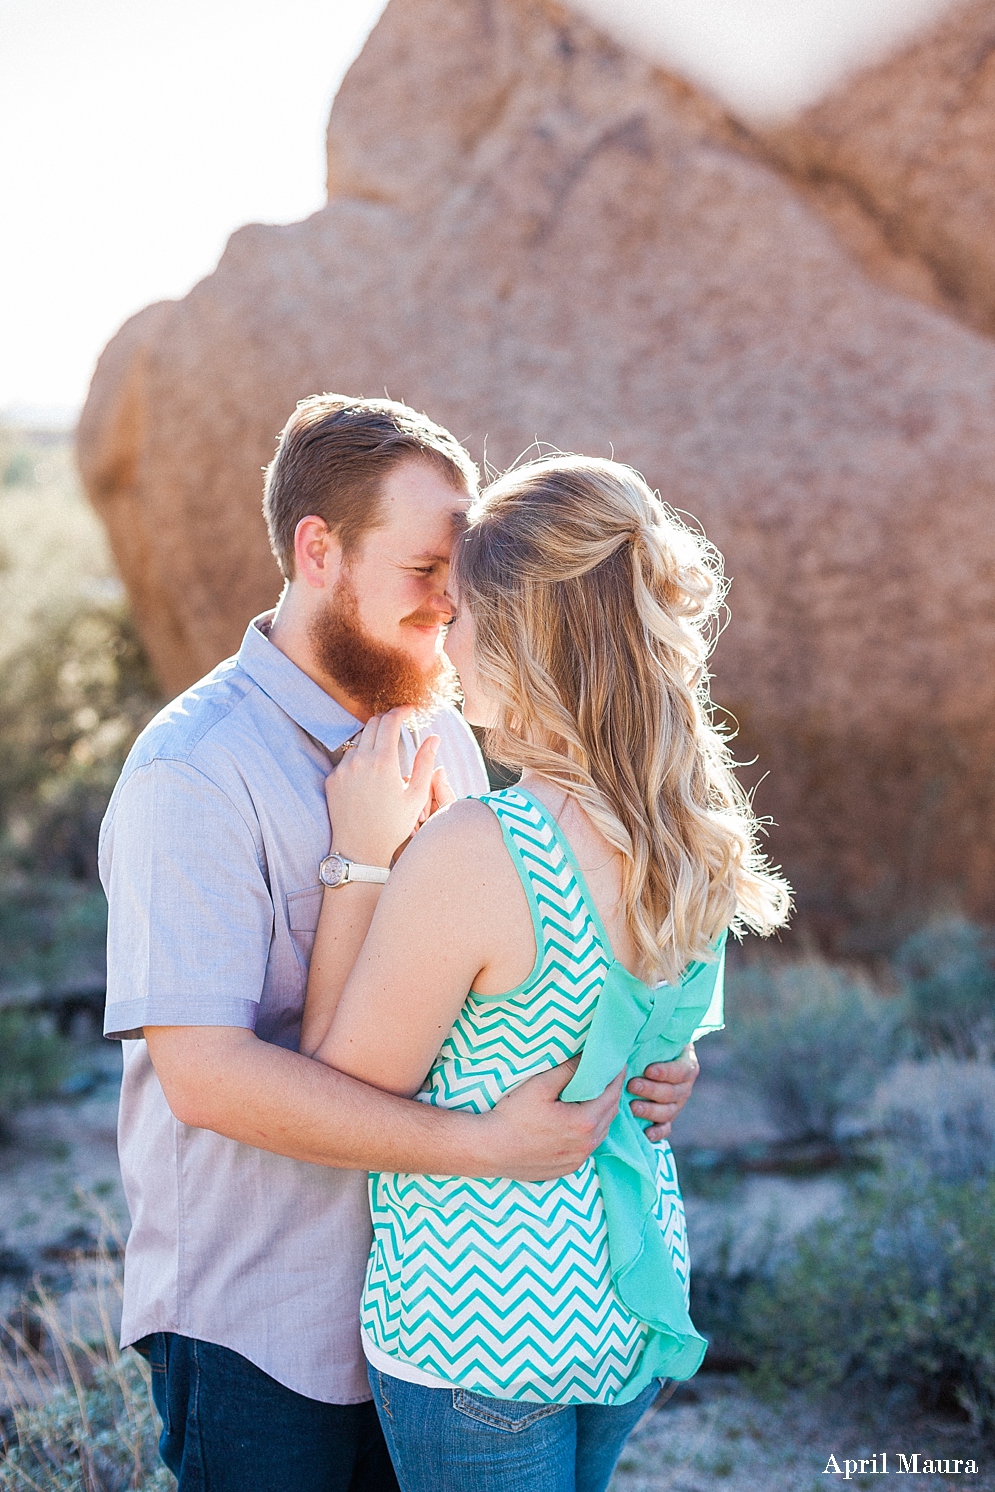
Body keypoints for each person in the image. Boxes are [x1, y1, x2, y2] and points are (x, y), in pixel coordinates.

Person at [99, 397, 702, 1492]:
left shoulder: (446, 730)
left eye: (461, 573)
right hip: (264, 1315)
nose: (451, 603)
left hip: (449, 1305)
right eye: (426, 568)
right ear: (317, 549)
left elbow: (506, 979)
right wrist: (485, 1146)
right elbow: (203, 1077)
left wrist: (642, 1057)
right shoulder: (195, 771)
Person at [299, 453, 792, 1492]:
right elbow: (660, 1046)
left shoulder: (483, 850)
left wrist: (363, 860)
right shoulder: (689, 828)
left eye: (463, 611)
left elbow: (338, 1081)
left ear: (522, 635)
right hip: (624, 1300)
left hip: (476, 1333)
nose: (445, 636)